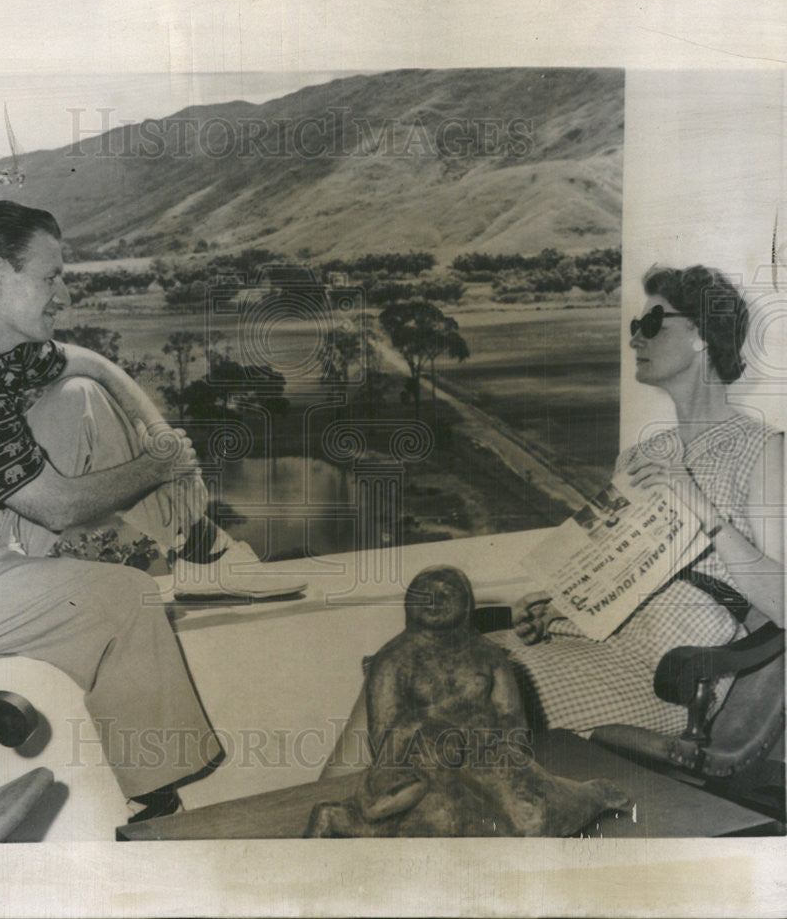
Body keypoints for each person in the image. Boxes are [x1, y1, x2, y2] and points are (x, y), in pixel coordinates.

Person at [0, 200, 304, 822]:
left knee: (82, 399)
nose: (61, 292)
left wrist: (157, 429)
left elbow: (89, 363)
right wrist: (162, 464)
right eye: (49, 276)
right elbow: (57, 509)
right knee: (127, 598)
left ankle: (202, 552)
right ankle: (155, 804)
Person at [323, 264, 783, 773]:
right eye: (633, 326)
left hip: (665, 672)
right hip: (593, 647)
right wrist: (557, 606)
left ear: (701, 335)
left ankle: (348, 829)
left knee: (454, 693)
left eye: (651, 324)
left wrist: (703, 512)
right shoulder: (644, 454)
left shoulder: (761, 450)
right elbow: (617, 574)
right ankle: (321, 826)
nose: (635, 338)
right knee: (403, 662)